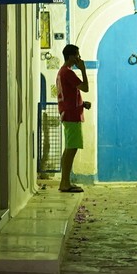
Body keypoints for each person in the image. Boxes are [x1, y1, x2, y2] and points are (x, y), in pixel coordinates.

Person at [55, 44, 91, 192]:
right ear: (70, 56)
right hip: (71, 115)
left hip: (69, 112)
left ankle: (65, 182)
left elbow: (70, 94)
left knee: (69, 149)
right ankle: (65, 183)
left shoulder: (62, 72)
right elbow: (85, 87)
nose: (79, 58)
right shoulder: (68, 72)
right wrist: (83, 69)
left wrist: (82, 104)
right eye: (77, 55)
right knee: (71, 149)